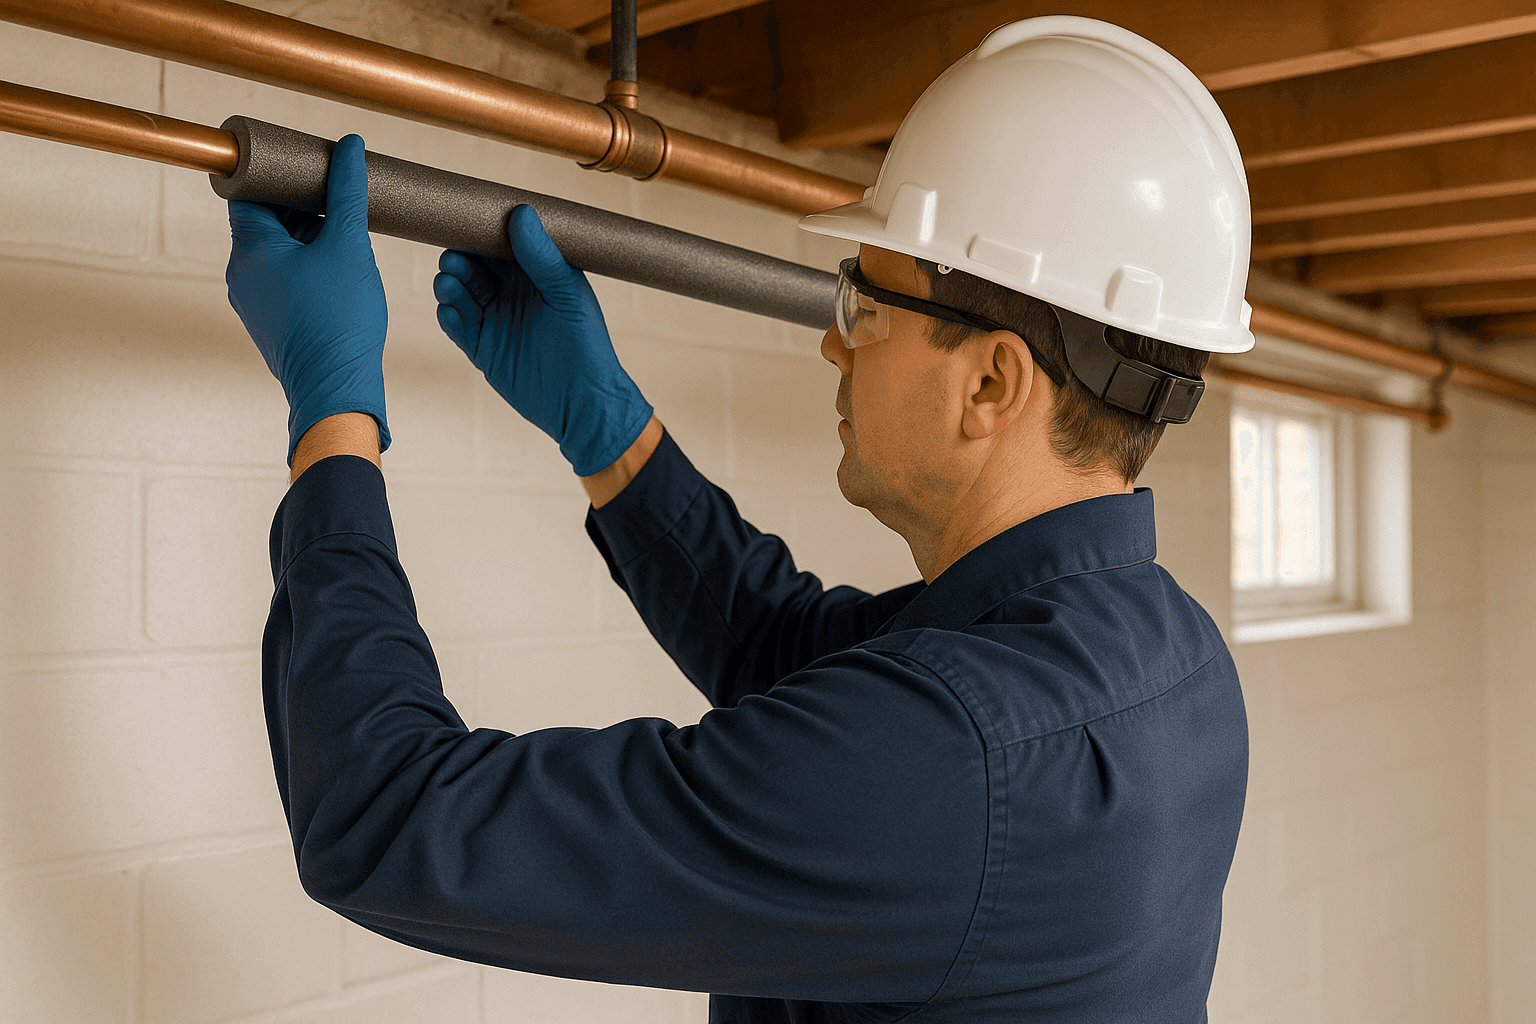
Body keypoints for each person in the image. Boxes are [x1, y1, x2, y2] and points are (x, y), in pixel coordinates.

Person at [228, 17, 1251, 1024]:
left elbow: (386, 817)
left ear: (990, 380)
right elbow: (789, 651)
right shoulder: (1172, 655)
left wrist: (333, 412)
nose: (835, 347)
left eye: (867, 308)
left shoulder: (953, 760)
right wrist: (612, 436)